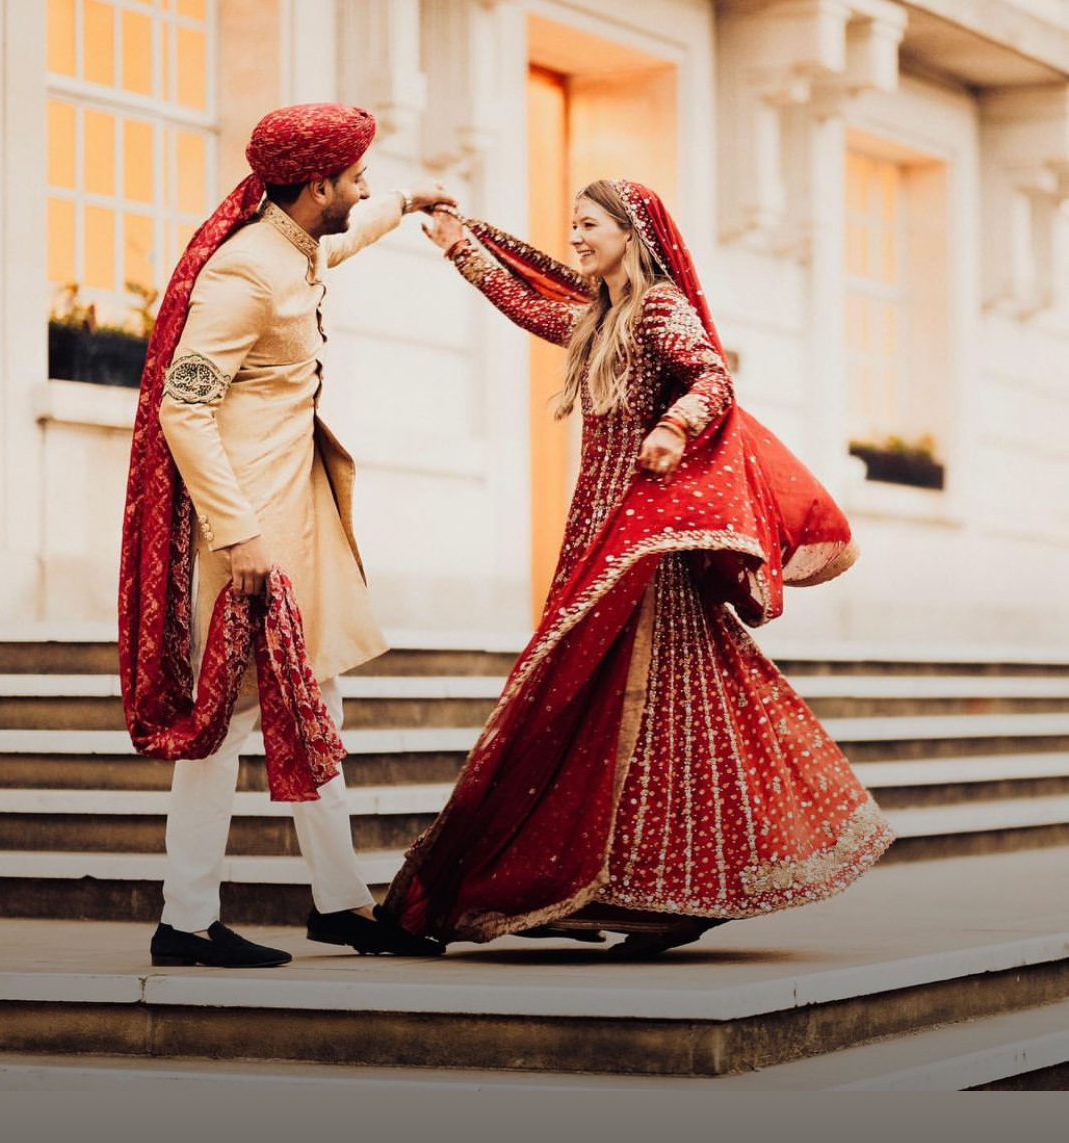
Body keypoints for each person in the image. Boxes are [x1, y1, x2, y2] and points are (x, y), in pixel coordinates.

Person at [382, 179, 895, 956]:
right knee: (653, 703)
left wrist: (674, 427)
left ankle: (666, 885)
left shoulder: (658, 307)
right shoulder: (600, 317)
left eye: (588, 225)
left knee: (621, 693)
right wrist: (458, 244)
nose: (576, 237)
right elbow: (532, 309)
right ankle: (654, 888)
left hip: (644, 544)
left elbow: (713, 377)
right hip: (600, 533)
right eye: (573, 224)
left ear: (631, 231)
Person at [119, 103, 451, 967]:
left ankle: (340, 902)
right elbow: (183, 409)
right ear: (315, 186)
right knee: (221, 725)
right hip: (248, 540)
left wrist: (409, 202)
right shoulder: (243, 275)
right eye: (357, 177)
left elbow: (336, 246)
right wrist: (238, 537)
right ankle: (185, 922)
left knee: (320, 705)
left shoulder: (294, 247)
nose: (363, 185)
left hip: (299, 527)